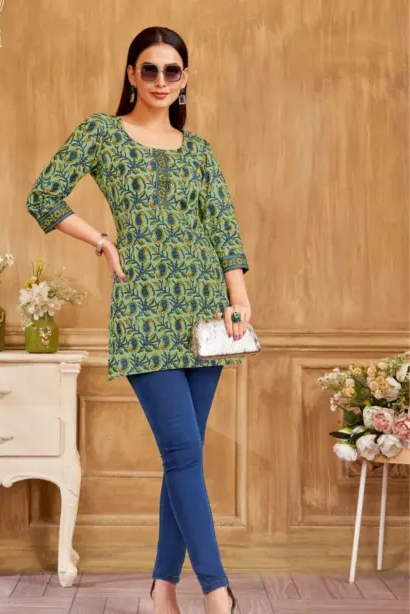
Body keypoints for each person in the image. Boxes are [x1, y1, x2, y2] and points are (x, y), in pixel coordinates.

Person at [26, 25, 251, 614]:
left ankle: (161, 591)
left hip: (205, 315)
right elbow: (43, 196)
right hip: (144, 313)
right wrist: (102, 241)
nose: (159, 80)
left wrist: (239, 298)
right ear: (131, 74)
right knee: (182, 453)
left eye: (171, 70)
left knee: (185, 457)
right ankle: (220, 594)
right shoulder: (102, 133)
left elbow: (222, 225)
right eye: (148, 69)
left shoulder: (198, 150)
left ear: (184, 78)